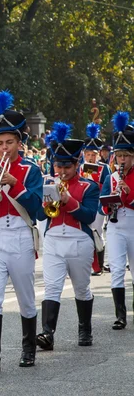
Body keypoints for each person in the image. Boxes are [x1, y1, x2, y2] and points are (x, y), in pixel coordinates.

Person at [0, 91, 43, 372]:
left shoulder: (31, 171)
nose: (3, 149)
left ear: (19, 143)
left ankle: (29, 348)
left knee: (25, 297)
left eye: (9, 143)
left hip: (20, 234)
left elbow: (39, 210)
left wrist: (15, 183)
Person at [36, 122, 98, 350]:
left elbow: (90, 216)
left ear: (76, 164)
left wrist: (69, 200)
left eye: (66, 167)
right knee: (52, 287)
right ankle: (47, 333)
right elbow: (38, 213)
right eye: (58, 166)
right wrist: (43, 204)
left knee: (81, 288)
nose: (61, 172)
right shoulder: (48, 183)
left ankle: (85, 328)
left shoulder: (88, 186)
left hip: (79, 240)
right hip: (53, 239)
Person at [99, 112, 134, 330]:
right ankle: (120, 315)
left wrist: (128, 194)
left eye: (126, 156)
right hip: (115, 226)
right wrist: (110, 200)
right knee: (117, 268)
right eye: (119, 156)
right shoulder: (111, 177)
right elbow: (101, 206)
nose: (122, 160)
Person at [81, 123, 111, 275]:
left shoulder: (104, 168)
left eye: (93, 154)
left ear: (98, 154)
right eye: (88, 154)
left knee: (98, 232)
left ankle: (99, 265)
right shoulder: (79, 168)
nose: (91, 158)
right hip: (83, 204)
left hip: (98, 204)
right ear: (84, 155)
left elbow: (108, 186)